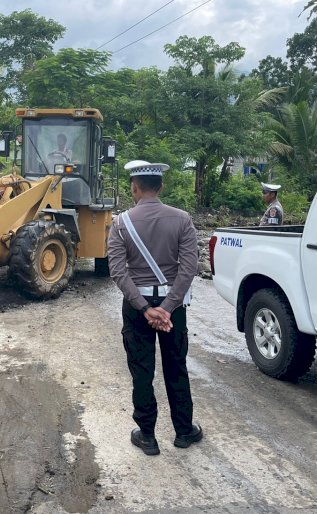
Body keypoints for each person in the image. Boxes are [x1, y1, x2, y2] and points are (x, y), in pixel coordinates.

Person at [107, 160, 201, 455]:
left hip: (138, 309)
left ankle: (147, 436)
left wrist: (146, 309)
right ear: (160, 187)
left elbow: (118, 271)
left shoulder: (120, 224)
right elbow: (188, 269)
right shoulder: (183, 220)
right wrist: (168, 307)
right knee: (176, 366)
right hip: (174, 309)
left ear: (134, 188)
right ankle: (184, 432)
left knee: (142, 370)